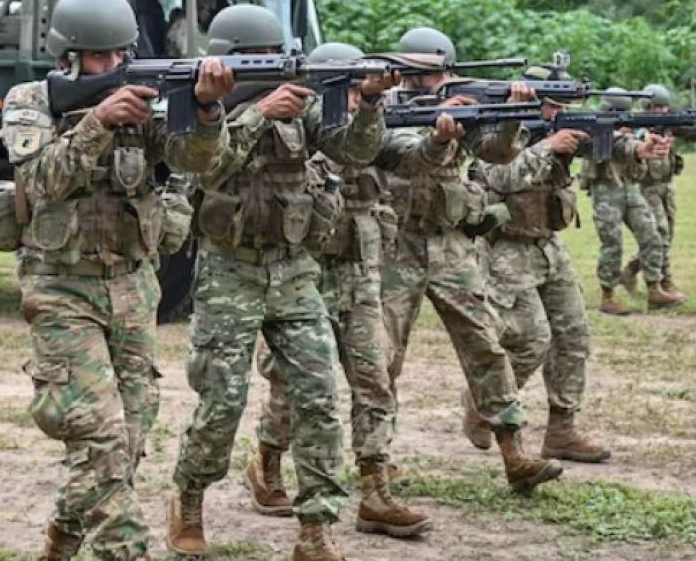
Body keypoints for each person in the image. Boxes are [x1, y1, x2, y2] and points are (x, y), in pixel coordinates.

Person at [2, 0, 233, 561]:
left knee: (128, 438)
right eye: (99, 58)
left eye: (119, 55)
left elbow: (195, 159)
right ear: (68, 58)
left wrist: (205, 110)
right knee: (98, 431)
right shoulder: (29, 100)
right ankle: (124, 550)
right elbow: (40, 181)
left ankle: (62, 535)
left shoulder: (146, 103)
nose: (111, 67)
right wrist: (97, 121)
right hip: (61, 286)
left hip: (133, 286)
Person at [166, 5, 394, 561]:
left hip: (294, 270)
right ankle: (189, 497)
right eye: (254, 60)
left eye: (273, 59)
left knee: (317, 398)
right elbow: (206, 166)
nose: (267, 68)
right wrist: (257, 112)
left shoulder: (302, 108)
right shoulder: (194, 106)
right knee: (222, 400)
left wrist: (368, 101)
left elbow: (357, 150)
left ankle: (315, 529)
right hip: (230, 270)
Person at [247, 42, 432, 539]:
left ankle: (375, 489)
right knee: (293, 385)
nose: (354, 98)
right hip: (304, 273)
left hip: (360, 276)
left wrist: (443, 139)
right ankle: (267, 457)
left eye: (359, 89)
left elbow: (404, 156)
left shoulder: (370, 124)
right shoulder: (296, 125)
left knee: (374, 380)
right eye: (347, 89)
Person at [380, 27, 564, 494]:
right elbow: (396, 153)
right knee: (383, 358)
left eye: (428, 73)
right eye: (411, 72)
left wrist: (508, 117)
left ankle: (514, 453)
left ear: (446, 68)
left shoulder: (464, 97)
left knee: (484, 343)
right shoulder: (382, 102)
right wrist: (438, 129)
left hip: (450, 243)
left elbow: (498, 152)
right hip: (394, 244)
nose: (417, 81)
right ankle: (377, 458)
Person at [462, 67, 670, 464]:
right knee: (528, 342)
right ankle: (482, 402)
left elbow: (596, 145)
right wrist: (549, 146)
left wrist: (636, 150)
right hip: (505, 249)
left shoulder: (555, 130)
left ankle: (562, 429)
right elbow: (503, 175)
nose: (558, 113)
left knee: (573, 337)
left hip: (548, 245)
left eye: (563, 106)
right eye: (552, 105)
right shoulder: (493, 133)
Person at [582, 86, 680, 315]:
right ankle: (608, 294)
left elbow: (635, 149)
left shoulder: (633, 131)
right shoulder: (593, 128)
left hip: (631, 188)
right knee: (612, 243)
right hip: (606, 190)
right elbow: (608, 150)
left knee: (652, 235)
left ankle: (654, 287)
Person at [623, 84, 696, 304]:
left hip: (666, 185)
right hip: (646, 186)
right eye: (656, 107)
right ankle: (663, 282)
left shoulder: (668, 124)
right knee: (659, 234)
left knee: (667, 235)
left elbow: (691, 133)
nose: (661, 111)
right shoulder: (636, 126)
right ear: (646, 106)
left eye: (663, 107)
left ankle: (631, 269)